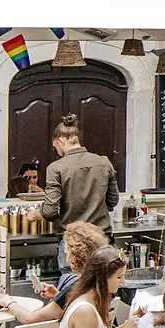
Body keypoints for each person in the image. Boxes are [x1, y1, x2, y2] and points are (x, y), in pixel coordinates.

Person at [31, 114, 120, 272]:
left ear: (60, 140)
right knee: (103, 289)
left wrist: (37, 214)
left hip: (73, 243)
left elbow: (50, 211)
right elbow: (113, 201)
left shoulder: (56, 168)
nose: (57, 152)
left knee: (74, 290)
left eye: (56, 147)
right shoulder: (104, 162)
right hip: (102, 239)